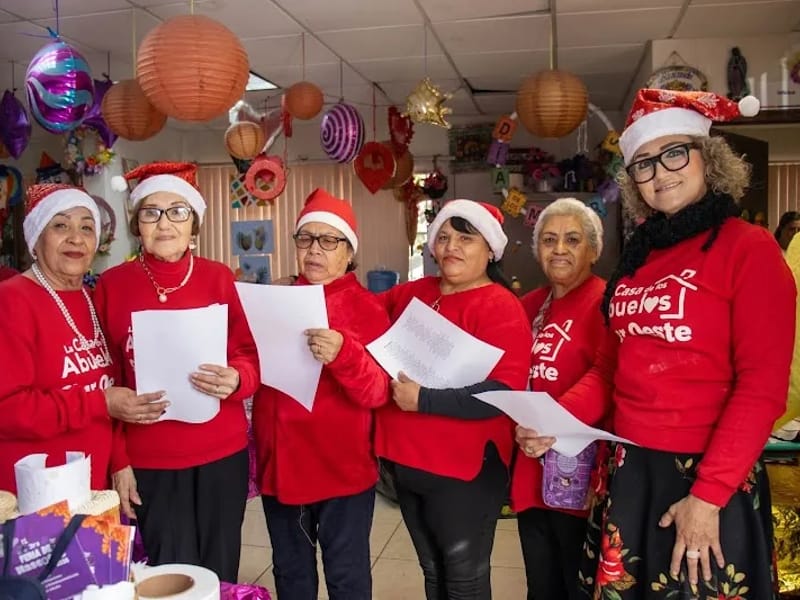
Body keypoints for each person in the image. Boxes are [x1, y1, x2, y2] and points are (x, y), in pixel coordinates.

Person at [571, 89, 795, 599]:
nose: (660, 172)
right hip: (631, 470)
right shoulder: (638, 259)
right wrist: (555, 420)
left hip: (709, 475)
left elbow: (761, 387)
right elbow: (608, 369)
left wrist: (709, 495)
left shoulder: (749, 248)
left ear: (707, 158)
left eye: (674, 153)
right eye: (644, 163)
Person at [93, 162, 260, 583]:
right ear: (137, 225)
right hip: (150, 457)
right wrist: (118, 460)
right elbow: (105, 379)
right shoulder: (112, 286)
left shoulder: (219, 278)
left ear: (194, 224)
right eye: (151, 212)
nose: (164, 223)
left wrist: (238, 377)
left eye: (177, 211)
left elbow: (249, 353)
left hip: (221, 451)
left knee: (220, 570)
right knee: (169, 575)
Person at [375, 199, 531, 600]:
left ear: (490, 250)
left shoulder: (502, 307)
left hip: (464, 471)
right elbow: (363, 315)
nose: (451, 247)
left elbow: (504, 392)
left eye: (465, 239)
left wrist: (424, 400)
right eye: (443, 238)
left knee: (464, 579)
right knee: (432, 570)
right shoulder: (413, 293)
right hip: (404, 460)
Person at [253, 188, 390, 600]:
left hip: (341, 469)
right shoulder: (274, 300)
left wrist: (344, 354)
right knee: (290, 572)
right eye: (306, 238)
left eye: (329, 240)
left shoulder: (367, 308)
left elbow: (378, 392)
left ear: (348, 253)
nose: (315, 249)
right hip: (281, 465)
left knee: (346, 576)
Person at [0, 183, 165, 493]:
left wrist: (119, 461)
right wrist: (99, 402)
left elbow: (112, 387)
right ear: (36, 239)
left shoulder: (93, 299)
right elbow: (7, 409)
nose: (76, 238)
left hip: (94, 486)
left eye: (87, 227)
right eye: (60, 225)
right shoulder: (11, 300)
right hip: (37, 490)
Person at [512, 197, 613, 600]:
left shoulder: (606, 302)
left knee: (578, 586)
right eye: (549, 239)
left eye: (572, 240)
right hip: (531, 468)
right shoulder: (528, 306)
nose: (559, 249)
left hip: (581, 473)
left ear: (594, 250)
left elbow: (606, 377)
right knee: (541, 585)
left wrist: (552, 423)